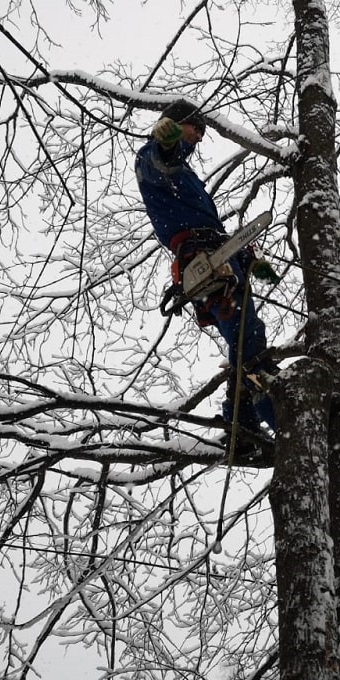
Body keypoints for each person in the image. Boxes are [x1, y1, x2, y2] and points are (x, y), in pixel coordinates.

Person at [135, 101, 276, 446]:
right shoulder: (154, 160)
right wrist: (167, 139)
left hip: (218, 256)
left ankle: (240, 424)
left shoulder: (187, 178)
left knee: (246, 334)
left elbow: (210, 226)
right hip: (199, 260)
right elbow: (161, 155)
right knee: (246, 334)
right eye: (195, 128)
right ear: (177, 124)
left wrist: (246, 256)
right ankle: (279, 406)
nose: (199, 137)